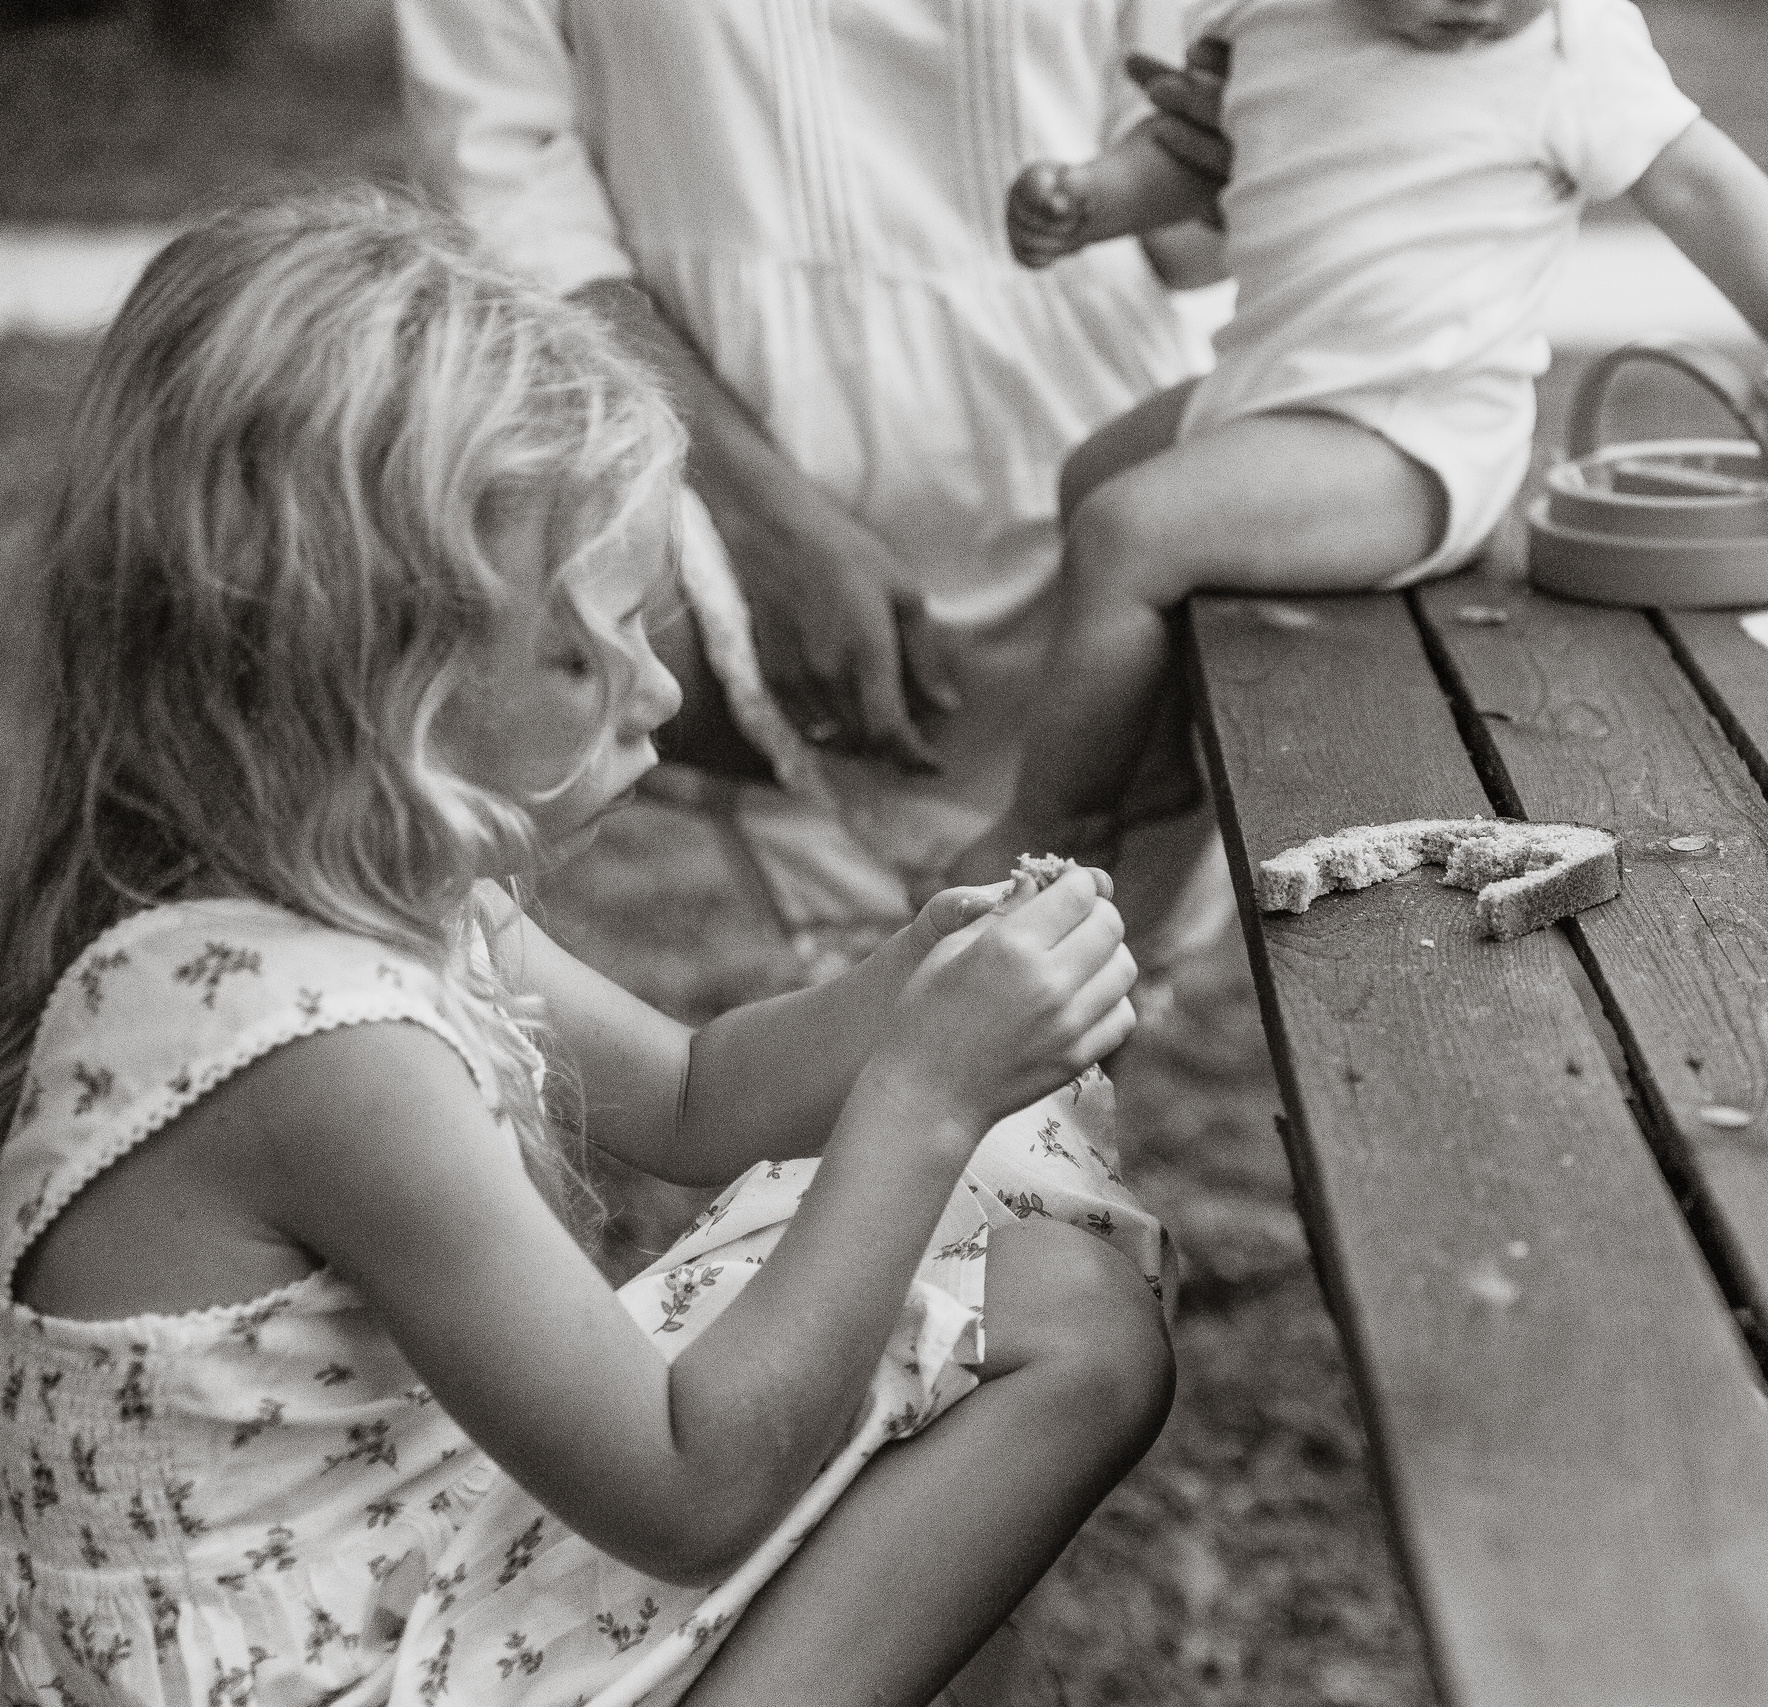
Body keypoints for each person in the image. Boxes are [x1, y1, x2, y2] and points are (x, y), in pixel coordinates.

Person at [0, 192, 1171, 1707]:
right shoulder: (312, 1049)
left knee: (1049, 1286)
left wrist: (909, 993)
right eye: (580, 644)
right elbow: (687, 1491)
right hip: (335, 1662)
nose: (655, 690)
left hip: (382, 1551)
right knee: (1062, 1325)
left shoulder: (358, 893)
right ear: (372, 680)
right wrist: (925, 1093)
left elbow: (688, 1093)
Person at [399, 0, 1233, 966]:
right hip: (688, 435)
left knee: (1062, 996)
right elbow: (504, 187)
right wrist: (768, 517)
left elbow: (1196, 236)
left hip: (1088, 474)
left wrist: (1243, 140)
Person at [947, 0, 1768, 883]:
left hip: (1416, 441)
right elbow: (1203, 160)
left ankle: (1060, 821)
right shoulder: (1264, 18)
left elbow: (1693, 179)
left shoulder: (1574, 46)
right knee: (1090, 476)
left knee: (1125, 532)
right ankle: (1151, 765)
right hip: (1271, 386)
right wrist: (1095, 199)